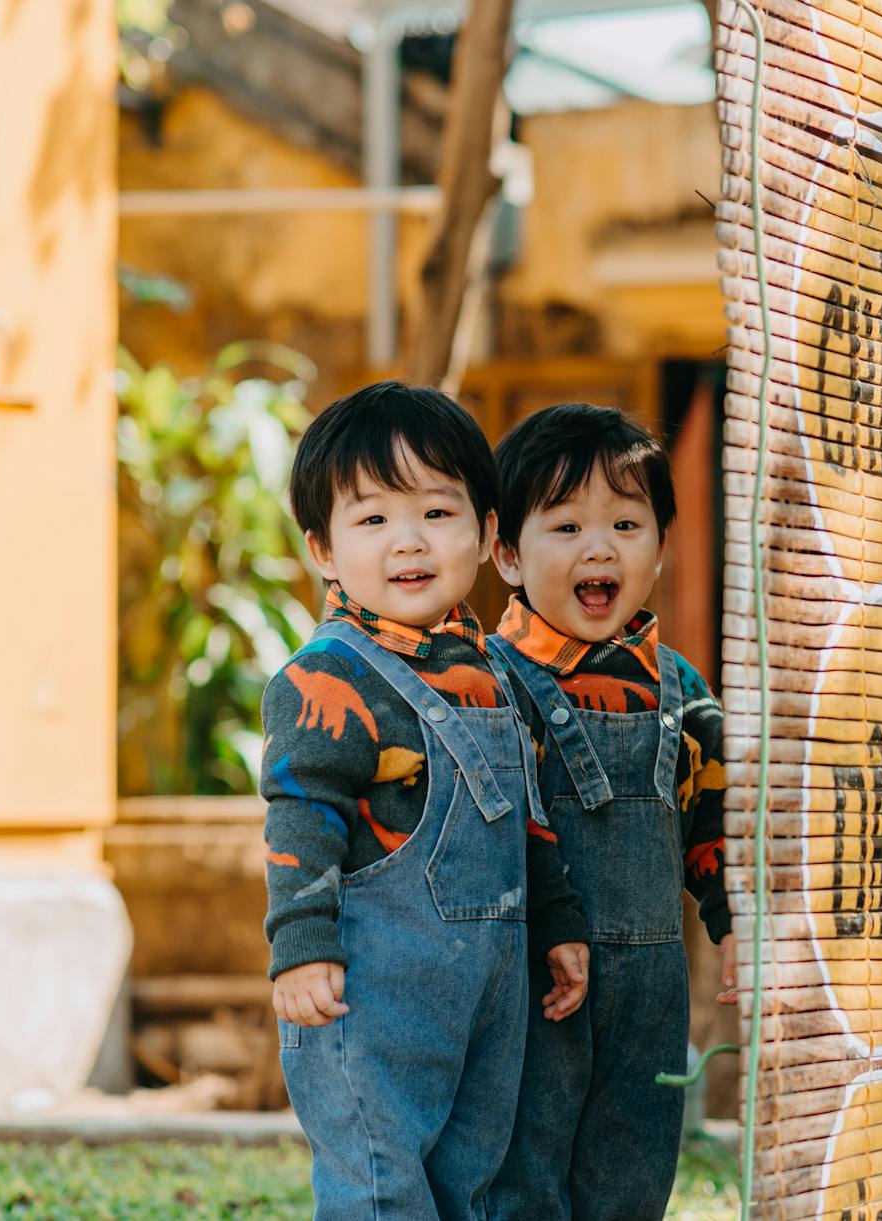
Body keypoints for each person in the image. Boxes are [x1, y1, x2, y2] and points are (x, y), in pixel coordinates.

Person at [260, 381, 590, 1221]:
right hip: (369, 998)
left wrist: (555, 924)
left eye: (437, 514)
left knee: (471, 1182)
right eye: (371, 520)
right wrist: (300, 945)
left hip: (490, 996)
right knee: (382, 1181)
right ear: (323, 550)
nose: (407, 542)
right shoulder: (326, 676)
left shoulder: (497, 672)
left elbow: (529, 816)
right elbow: (301, 811)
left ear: (485, 534)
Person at [484, 403, 734, 1221]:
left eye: (626, 523)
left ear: (660, 548)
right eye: (565, 526)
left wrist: (735, 930)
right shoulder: (484, 685)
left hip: (654, 992)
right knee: (526, 1171)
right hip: (531, 984)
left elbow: (716, 824)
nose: (599, 547)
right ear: (508, 552)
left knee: (634, 1173)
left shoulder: (683, 688)